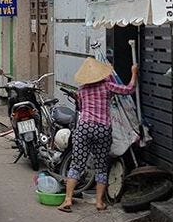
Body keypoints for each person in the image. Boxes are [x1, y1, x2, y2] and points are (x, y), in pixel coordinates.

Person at [57, 57, 139, 213]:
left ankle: (68, 199)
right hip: (102, 129)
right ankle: (99, 202)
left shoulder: (82, 90)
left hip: (84, 128)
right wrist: (134, 73)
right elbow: (129, 89)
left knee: (76, 165)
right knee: (101, 167)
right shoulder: (107, 86)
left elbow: (81, 107)